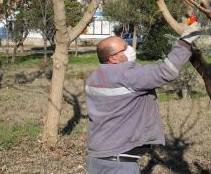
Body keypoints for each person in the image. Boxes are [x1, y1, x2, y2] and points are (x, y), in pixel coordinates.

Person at [85, 22, 201, 174]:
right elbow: (166, 71)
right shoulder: (127, 75)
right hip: (119, 163)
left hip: (96, 158)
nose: (129, 48)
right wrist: (186, 41)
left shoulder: (93, 78)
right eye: (124, 48)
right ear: (113, 59)